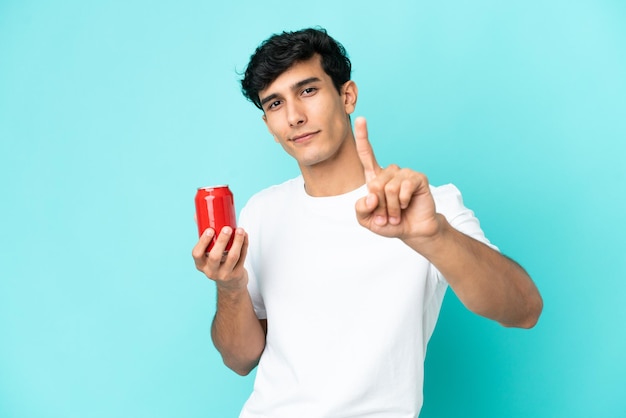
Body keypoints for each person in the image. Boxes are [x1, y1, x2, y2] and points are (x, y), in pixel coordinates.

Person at [192, 27, 543, 418]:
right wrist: (231, 286)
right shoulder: (261, 211)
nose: (294, 116)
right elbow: (240, 360)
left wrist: (433, 235)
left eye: (308, 90)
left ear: (347, 95)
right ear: (269, 127)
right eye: (274, 104)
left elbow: (524, 309)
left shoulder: (427, 205)